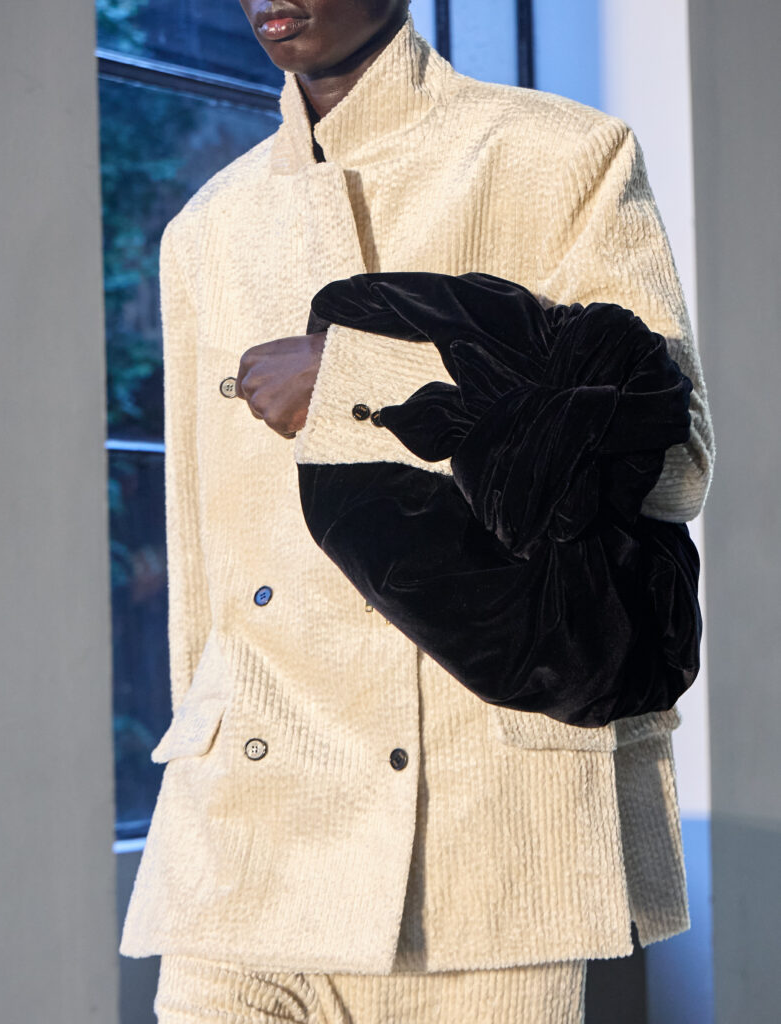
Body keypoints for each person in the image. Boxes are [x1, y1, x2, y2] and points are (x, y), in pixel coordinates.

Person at [119, 2, 716, 1022]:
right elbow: (206, 560)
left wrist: (362, 384)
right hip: (249, 827)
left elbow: (674, 461)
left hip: (480, 826)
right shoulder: (207, 230)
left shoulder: (557, 157)